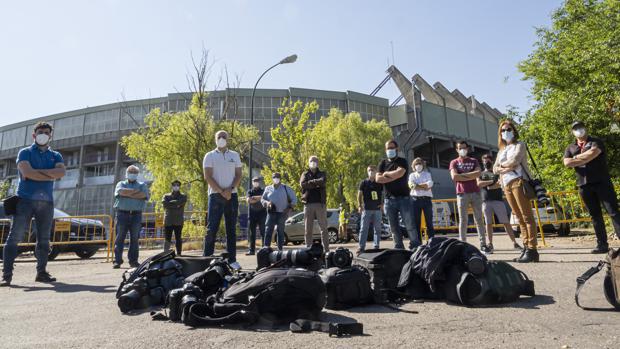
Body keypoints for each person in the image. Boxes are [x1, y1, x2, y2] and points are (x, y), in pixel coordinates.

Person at [1, 122, 65, 287]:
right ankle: (6, 276)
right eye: (40, 132)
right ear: (34, 135)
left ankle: (41, 273)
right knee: (14, 237)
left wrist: (36, 174)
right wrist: (49, 174)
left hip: (47, 202)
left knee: (44, 239)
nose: (43, 134)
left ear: (50, 135)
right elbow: (27, 172)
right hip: (25, 201)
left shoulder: (56, 155)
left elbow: (61, 173)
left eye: (46, 132)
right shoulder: (25, 152)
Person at [563, 121, 620, 254]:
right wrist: (583, 157)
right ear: (572, 132)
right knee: (595, 216)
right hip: (584, 185)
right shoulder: (570, 147)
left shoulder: (596, 141)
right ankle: (602, 245)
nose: (579, 130)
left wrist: (576, 158)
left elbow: (593, 153)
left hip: (602, 183)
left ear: (585, 128)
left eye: (581, 127)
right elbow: (567, 163)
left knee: (613, 212)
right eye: (576, 129)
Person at [494, 120, 539, 263]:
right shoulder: (501, 150)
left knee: (527, 216)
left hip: (519, 182)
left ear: (514, 131)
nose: (505, 132)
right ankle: (525, 247)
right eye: (503, 130)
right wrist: (504, 167)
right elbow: (495, 168)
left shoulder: (520, 145)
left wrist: (504, 166)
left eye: (508, 129)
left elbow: (515, 161)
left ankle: (532, 249)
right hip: (506, 184)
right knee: (518, 217)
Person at [203, 130, 242, 270]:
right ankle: (207, 260)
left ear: (228, 139)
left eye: (224, 137)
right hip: (215, 196)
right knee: (211, 229)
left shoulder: (235, 155)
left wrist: (230, 190)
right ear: (215, 139)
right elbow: (207, 176)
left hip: (232, 195)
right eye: (219, 137)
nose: (221, 139)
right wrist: (221, 191)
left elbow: (238, 175)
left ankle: (232, 260)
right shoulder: (209, 155)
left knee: (231, 229)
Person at [376, 140, 421, 250]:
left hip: (404, 199)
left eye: (392, 148)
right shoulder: (382, 163)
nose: (390, 150)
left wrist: (386, 174)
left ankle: (415, 247)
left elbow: (400, 173)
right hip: (389, 200)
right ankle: (399, 248)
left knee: (409, 225)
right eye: (388, 148)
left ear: (397, 149)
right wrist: (391, 175)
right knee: (394, 228)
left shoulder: (402, 161)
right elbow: (378, 179)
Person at [477, 153, 521, 253]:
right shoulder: (481, 173)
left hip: (498, 200)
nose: (486, 162)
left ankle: (514, 242)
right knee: (488, 224)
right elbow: (479, 184)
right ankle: (490, 243)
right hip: (486, 201)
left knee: (506, 223)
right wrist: (492, 183)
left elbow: (500, 184)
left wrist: (488, 184)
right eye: (484, 160)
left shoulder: (497, 172)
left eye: (487, 160)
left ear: (492, 161)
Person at [449, 141, 488, 251]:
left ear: (467, 148)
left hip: (476, 193)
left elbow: (478, 173)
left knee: (479, 219)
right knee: (463, 220)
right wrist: (470, 175)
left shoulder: (474, 161)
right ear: (457, 150)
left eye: (464, 147)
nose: (462, 149)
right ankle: (463, 244)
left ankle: (483, 244)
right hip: (462, 194)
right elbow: (454, 177)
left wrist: (462, 176)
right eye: (460, 148)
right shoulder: (454, 162)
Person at [113, 165, 149, 269]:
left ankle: (133, 261)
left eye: (134, 172)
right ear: (127, 173)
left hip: (136, 215)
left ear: (137, 174)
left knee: (134, 239)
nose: (132, 173)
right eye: (130, 171)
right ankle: (117, 261)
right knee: (119, 238)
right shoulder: (120, 183)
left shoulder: (142, 185)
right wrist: (135, 193)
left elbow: (143, 195)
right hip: (122, 214)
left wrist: (127, 193)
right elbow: (120, 192)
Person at [300, 155, 329, 252]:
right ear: (308, 162)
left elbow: (322, 181)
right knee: (308, 229)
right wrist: (316, 184)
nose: (313, 162)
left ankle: (326, 250)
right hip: (308, 204)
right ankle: (308, 249)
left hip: (320, 204)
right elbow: (303, 184)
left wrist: (310, 183)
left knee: (324, 228)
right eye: (311, 161)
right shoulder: (305, 173)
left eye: (315, 161)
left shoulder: (322, 173)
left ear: (318, 163)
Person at [261, 172, 297, 251]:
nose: (276, 179)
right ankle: (266, 248)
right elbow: (262, 199)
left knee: (280, 232)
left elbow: (294, 199)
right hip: (271, 212)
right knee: (268, 230)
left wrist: (289, 208)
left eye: (277, 177)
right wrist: (267, 203)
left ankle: (280, 250)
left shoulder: (286, 188)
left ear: (280, 178)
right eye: (274, 177)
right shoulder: (268, 188)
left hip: (282, 213)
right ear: (272, 178)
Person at [357, 165, 383, 254]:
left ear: (376, 171)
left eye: (372, 170)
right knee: (363, 228)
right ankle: (361, 247)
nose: (371, 171)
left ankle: (376, 246)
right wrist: (359, 205)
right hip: (366, 209)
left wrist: (382, 204)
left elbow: (383, 193)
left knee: (378, 229)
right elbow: (359, 195)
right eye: (369, 170)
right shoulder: (363, 182)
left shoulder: (379, 182)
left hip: (377, 209)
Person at [408, 158, 435, 241]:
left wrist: (418, 186)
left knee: (429, 223)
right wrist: (424, 186)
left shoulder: (427, 174)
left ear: (423, 165)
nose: (418, 165)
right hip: (415, 200)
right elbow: (412, 186)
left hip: (426, 200)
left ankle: (431, 242)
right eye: (416, 164)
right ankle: (418, 243)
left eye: (420, 163)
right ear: (413, 166)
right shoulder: (411, 175)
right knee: (416, 223)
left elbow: (429, 184)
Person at [162, 180, 187, 256]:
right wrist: (176, 205)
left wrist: (171, 204)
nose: (176, 186)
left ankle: (179, 254)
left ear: (179, 186)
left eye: (177, 185)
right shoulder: (166, 196)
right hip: (168, 220)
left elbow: (181, 202)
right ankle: (165, 254)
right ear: (172, 186)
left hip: (178, 221)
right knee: (167, 239)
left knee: (178, 238)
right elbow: (165, 204)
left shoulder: (183, 196)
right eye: (174, 185)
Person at [246, 176, 266, 255]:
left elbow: (264, 198)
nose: (256, 182)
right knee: (252, 233)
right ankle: (251, 250)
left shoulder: (263, 190)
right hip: (252, 215)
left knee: (263, 232)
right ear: (252, 182)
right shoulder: (249, 191)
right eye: (254, 181)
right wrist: (259, 198)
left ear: (259, 182)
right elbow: (249, 200)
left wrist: (254, 198)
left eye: (257, 181)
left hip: (262, 214)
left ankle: (264, 249)